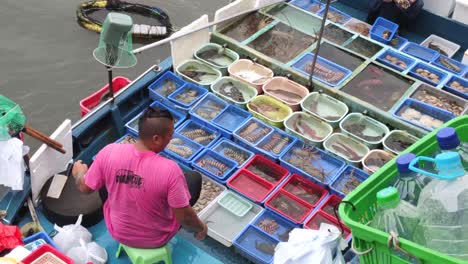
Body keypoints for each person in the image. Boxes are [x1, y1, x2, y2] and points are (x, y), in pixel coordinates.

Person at [72, 106, 207, 248]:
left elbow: (84, 188)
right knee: (194, 179)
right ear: (156, 139)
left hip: (118, 232)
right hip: (156, 239)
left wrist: (79, 173)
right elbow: (184, 218)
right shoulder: (171, 170)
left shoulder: (109, 151)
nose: (171, 138)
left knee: (102, 172)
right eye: (170, 135)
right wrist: (201, 227)